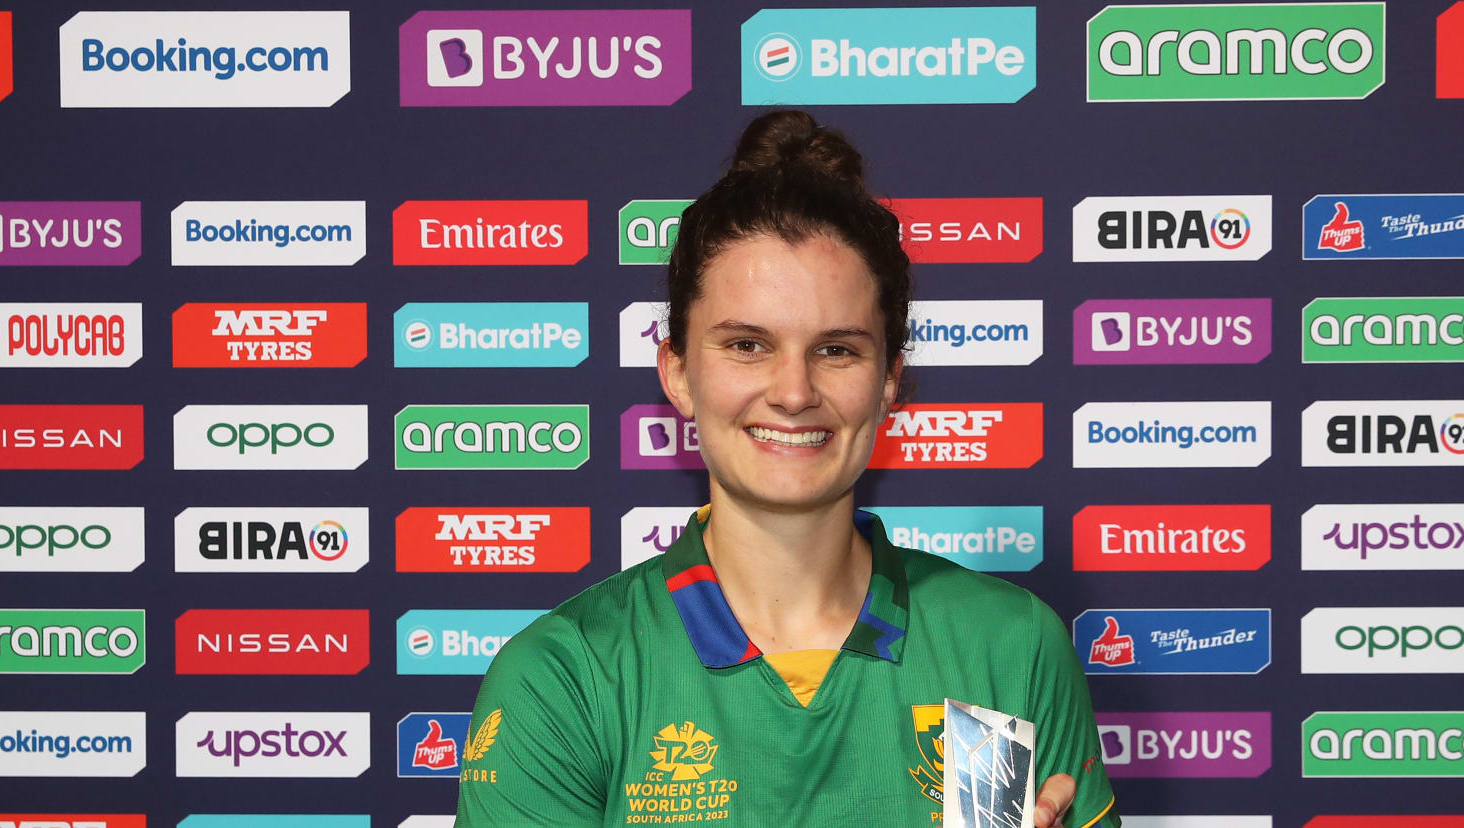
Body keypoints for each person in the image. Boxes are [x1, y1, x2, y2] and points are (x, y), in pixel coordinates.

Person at [455, 110, 1119, 828]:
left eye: (837, 349)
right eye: (747, 345)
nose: (795, 392)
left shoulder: (1002, 650)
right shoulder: (567, 679)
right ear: (676, 370)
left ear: (890, 376)